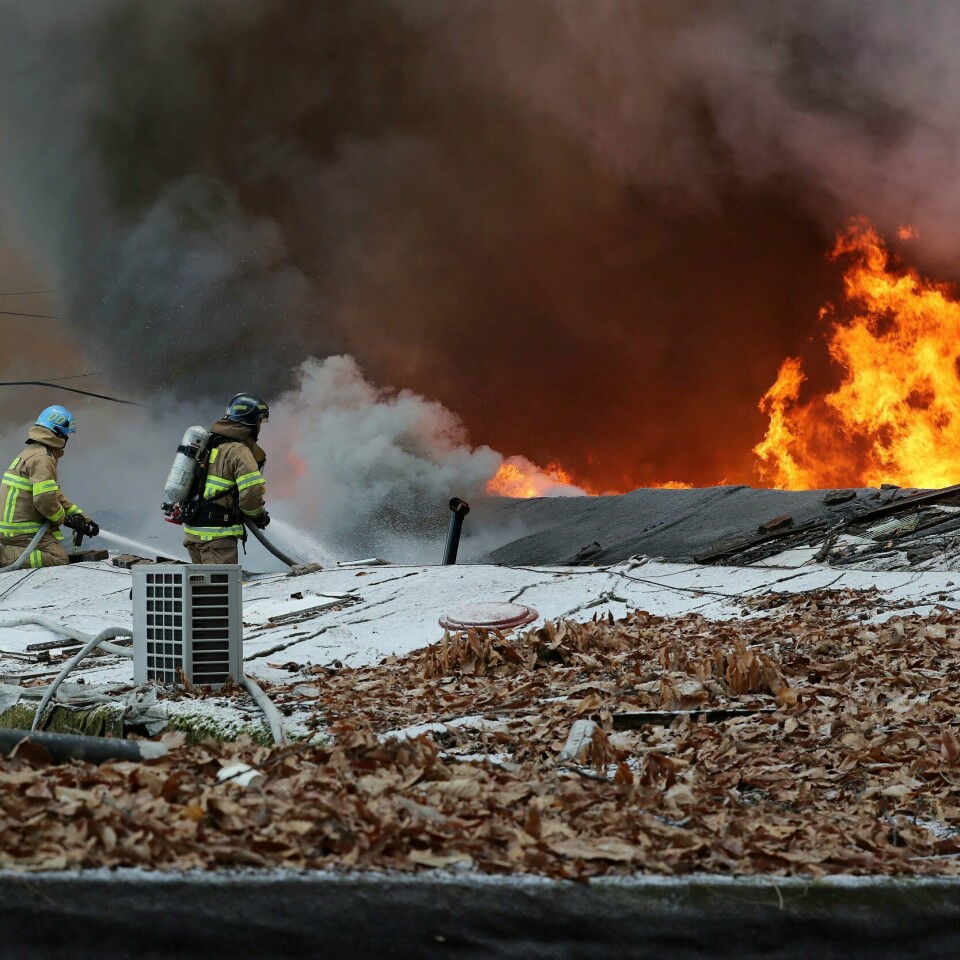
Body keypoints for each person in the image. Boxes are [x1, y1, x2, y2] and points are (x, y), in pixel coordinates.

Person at [0, 405, 99, 569]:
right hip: (21, 531)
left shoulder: (32, 452)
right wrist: (62, 519)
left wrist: (80, 516)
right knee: (58, 559)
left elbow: (53, 494)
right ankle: (6, 556)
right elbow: (44, 500)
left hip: (11, 528)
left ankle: (9, 550)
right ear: (59, 434)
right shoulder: (43, 458)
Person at [183, 393, 270, 564]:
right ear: (251, 423)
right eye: (260, 422)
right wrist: (258, 515)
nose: (260, 427)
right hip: (217, 539)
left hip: (194, 533)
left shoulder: (209, 442)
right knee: (220, 589)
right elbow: (251, 494)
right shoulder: (239, 451)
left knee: (202, 588)